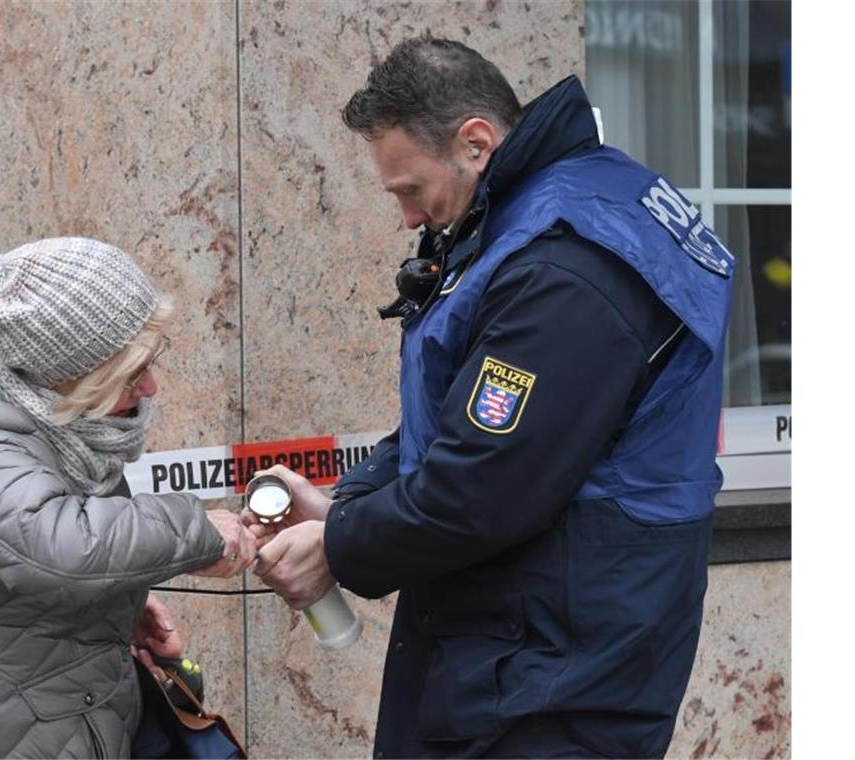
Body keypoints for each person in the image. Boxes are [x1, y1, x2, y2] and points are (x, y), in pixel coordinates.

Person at [246, 37, 735, 758]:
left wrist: (341, 544)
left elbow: (486, 482)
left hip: (555, 665)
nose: (409, 218)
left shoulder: (567, 262)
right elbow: (465, 412)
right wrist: (349, 502)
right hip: (526, 638)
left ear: (476, 143)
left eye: (411, 190)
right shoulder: (538, 213)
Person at [0, 237, 258, 758]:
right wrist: (200, 532)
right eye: (132, 372)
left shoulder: (43, 412)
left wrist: (114, 604)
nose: (152, 387)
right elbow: (55, 544)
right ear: (64, 370)